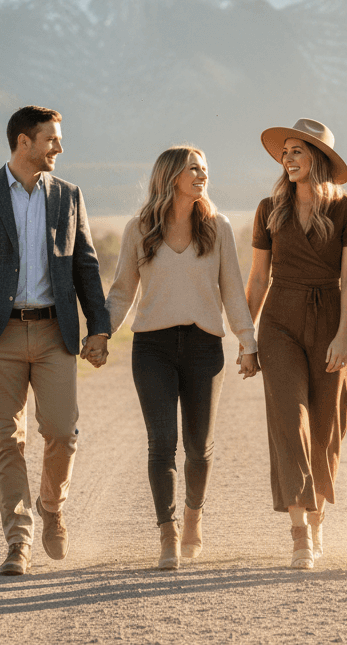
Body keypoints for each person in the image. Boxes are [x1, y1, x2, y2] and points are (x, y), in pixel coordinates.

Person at [0, 106, 112, 576]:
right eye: (51, 139)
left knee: (62, 431)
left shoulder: (68, 196)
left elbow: (86, 265)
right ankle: (18, 540)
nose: (59, 147)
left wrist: (98, 327)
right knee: (6, 438)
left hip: (53, 332)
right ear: (24, 142)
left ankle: (51, 506)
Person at [106, 146, 259, 570]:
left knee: (198, 448)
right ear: (171, 176)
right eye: (194, 168)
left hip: (203, 347)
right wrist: (102, 333)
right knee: (162, 444)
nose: (202, 174)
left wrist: (248, 341)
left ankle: (194, 515)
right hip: (151, 348)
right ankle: (168, 533)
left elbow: (232, 289)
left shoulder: (218, 227)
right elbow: (122, 290)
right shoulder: (138, 228)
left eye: (205, 168)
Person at [245, 118, 347, 569]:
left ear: (319, 158)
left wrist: (343, 336)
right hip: (279, 320)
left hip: (330, 315)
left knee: (324, 424)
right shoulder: (269, 209)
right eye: (286, 151)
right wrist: (245, 337)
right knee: (287, 418)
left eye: (298, 150)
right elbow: (258, 279)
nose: (288, 158)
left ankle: (317, 521)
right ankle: (299, 532)